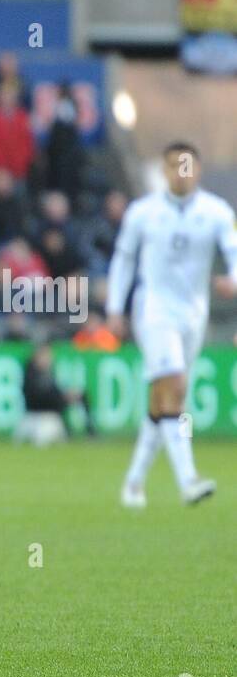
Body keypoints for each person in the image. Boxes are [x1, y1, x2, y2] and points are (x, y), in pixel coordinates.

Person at [107, 142, 237, 507]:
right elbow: (123, 260)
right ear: (164, 171)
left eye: (188, 166)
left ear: (198, 170)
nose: (181, 173)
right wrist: (116, 308)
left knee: (165, 399)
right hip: (154, 310)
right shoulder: (143, 213)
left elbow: (233, 250)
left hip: (194, 314)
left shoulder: (216, 212)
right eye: (174, 166)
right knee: (175, 386)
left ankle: (133, 482)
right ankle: (188, 480)